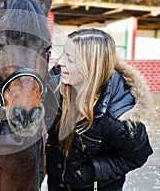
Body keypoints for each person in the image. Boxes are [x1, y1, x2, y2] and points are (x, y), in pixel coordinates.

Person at [44, 28, 153, 191]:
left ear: (91, 66)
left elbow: (138, 155)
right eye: (62, 54)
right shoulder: (53, 90)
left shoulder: (119, 115)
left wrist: (92, 170)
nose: (60, 62)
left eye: (70, 59)